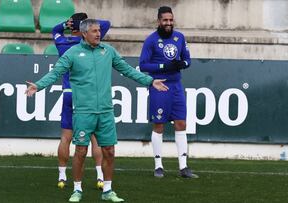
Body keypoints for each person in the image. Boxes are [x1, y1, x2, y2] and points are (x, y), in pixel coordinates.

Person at [26, 19, 168, 202]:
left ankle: (108, 190)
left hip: (106, 112)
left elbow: (127, 70)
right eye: (94, 31)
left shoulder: (108, 51)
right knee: (81, 151)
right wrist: (38, 85)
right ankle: (77, 189)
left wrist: (150, 81)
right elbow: (55, 73)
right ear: (84, 33)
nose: (98, 34)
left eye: (99, 31)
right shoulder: (72, 53)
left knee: (109, 151)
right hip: (83, 112)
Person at [52, 12, 111, 190]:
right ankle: (100, 176)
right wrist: (84, 23)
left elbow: (54, 30)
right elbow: (106, 23)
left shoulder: (62, 42)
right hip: (86, 95)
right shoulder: (85, 43)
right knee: (95, 137)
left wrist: (65, 24)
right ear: (85, 29)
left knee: (66, 137)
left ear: (72, 27)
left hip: (69, 93)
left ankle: (62, 176)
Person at [139, 6, 198, 179]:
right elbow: (143, 65)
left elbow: (187, 60)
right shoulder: (151, 40)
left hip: (176, 86)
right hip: (159, 85)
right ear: (158, 21)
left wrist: (182, 64)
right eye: (165, 20)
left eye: (171, 20)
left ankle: (184, 167)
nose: (169, 23)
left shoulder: (179, 37)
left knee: (181, 124)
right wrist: (164, 66)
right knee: (159, 125)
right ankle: (158, 166)